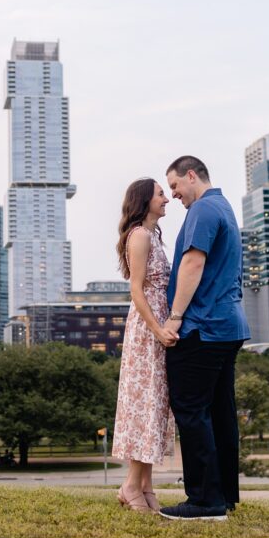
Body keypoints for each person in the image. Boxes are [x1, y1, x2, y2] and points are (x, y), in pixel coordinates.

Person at [158, 156, 250, 521]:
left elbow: (193, 263)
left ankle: (205, 501)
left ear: (192, 175)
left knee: (191, 409)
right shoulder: (223, 207)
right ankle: (223, 495)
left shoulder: (203, 210)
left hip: (202, 327)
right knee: (220, 412)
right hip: (227, 326)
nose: (174, 194)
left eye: (175, 186)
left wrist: (175, 317)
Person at [111, 177, 179, 514]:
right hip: (146, 328)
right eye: (160, 194)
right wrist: (157, 329)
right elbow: (136, 290)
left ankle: (145, 486)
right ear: (144, 201)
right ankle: (130, 486)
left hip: (158, 325)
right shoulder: (139, 235)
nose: (166, 199)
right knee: (143, 404)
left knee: (154, 405)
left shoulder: (153, 236)